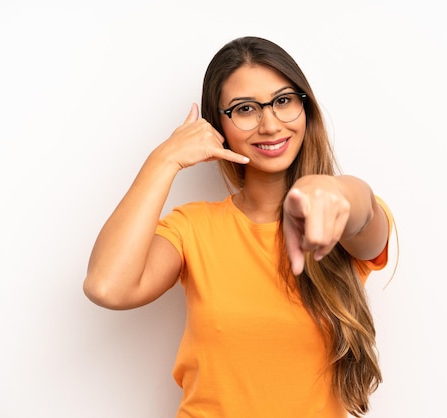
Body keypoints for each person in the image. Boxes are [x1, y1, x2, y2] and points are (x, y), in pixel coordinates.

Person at [84, 36, 395, 418]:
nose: (269, 124)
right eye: (245, 109)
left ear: (305, 107)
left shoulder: (335, 217)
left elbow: (364, 213)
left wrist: (334, 189)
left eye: (283, 101)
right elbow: (106, 286)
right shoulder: (193, 227)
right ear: (219, 126)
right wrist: (164, 159)